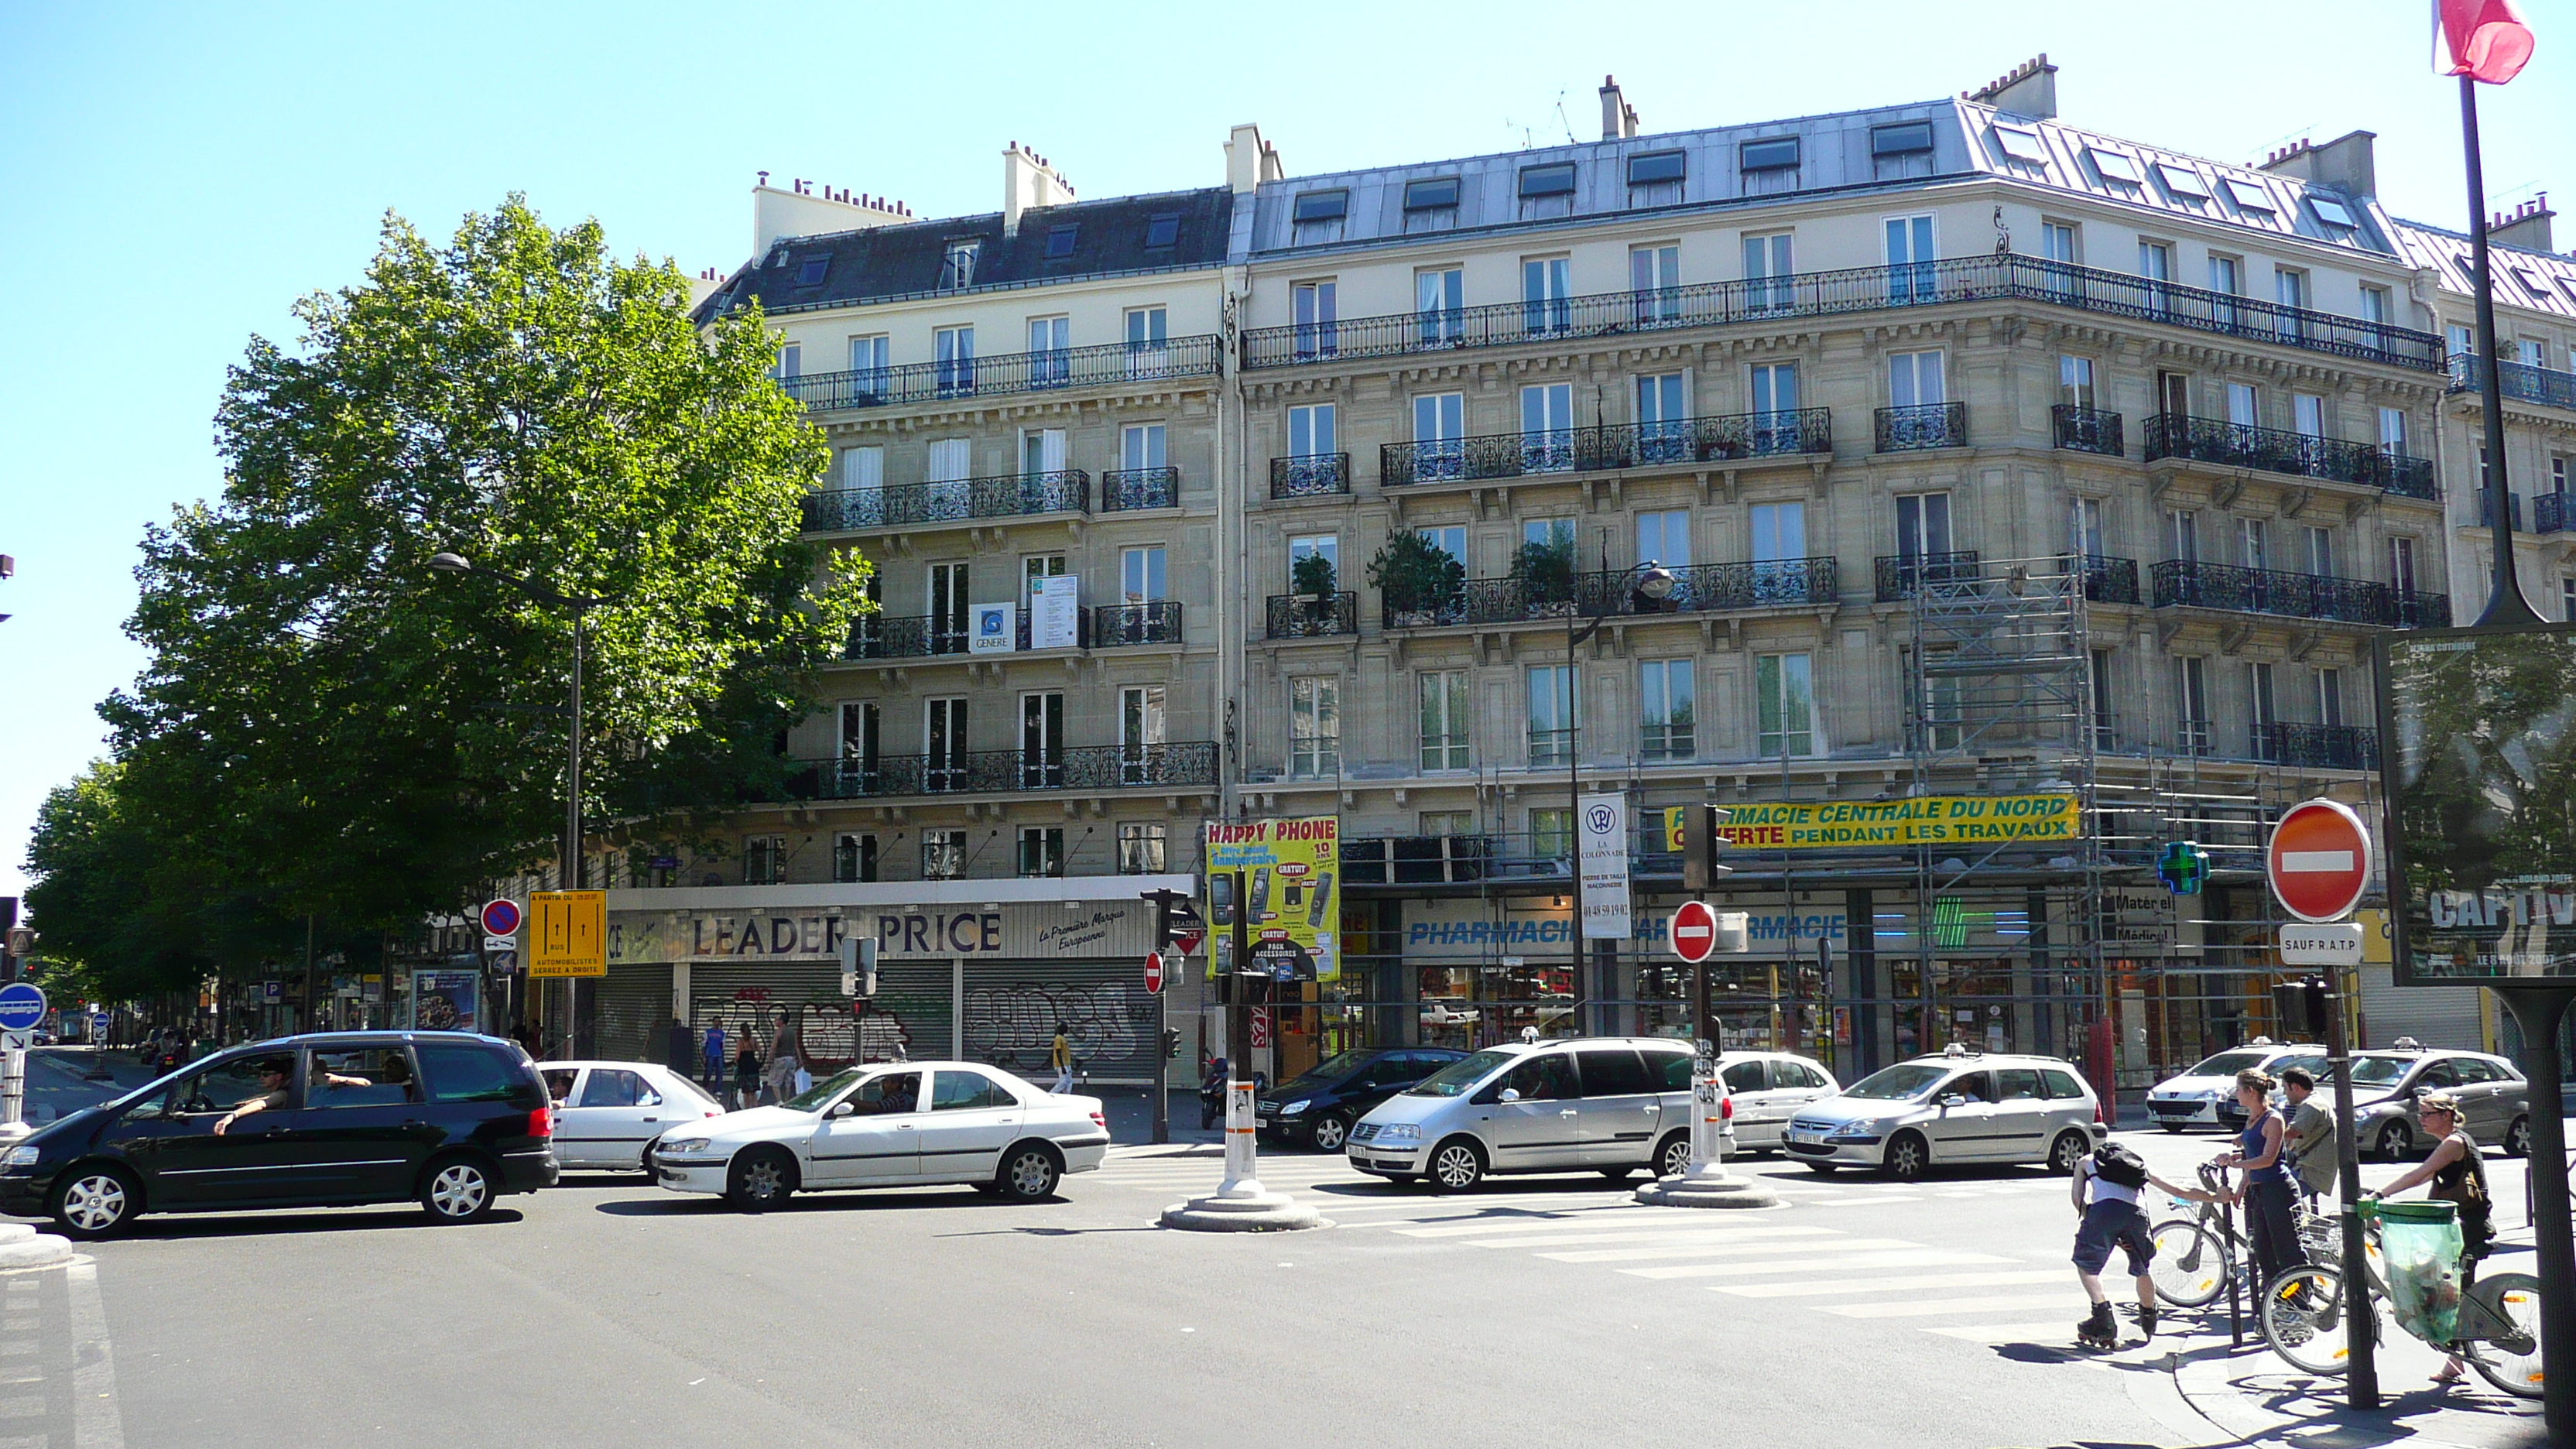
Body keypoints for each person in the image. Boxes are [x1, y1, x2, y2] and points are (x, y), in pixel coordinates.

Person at [2363, 1091, 2496, 1386]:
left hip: (2467, 1229)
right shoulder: (2451, 1143)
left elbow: (2420, 1172)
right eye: (2420, 1114)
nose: (2420, 1119)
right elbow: (2426, 1177)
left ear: (2446, 1115)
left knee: (2446, 1291)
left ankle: (2472, 1337)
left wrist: (2380, 1195)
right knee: (2451, 1291)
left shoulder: (2453, 1143)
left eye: (2426, 1114)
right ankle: (2455, 1361)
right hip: (2464, 1227)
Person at [2072, 1141, 2212, 1343]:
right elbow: (2178, 1191)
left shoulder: (2086, 1161)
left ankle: (2103, 1318)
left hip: (2102, 1212)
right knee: (2142, 1267)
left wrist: (2096, 1223)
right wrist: (2217, 1197)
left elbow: (2077, 1200)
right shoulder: (2137, 1164)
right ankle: (2149, 1316)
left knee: (2087, 1264)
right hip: (2136, 1215)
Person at [2215, 1067, 2307, 1290]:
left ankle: (2301, 1299)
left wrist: (2236, 1163)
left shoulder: (2273, 1119)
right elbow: (2252, 1154)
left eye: (2239, 1089)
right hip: (2260, 1190)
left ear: (2250, 1091)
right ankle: (2277, 1295)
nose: (2236, 1094)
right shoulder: (2252, 1119)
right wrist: (2241, 1185)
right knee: (2262, 1249)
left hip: (2278, 1189)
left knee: (2287, 1248)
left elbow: (2267, 1159)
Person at [2280, 1067, 2337, 1204]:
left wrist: (2262, 1133)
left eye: (2285, 1088)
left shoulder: (2312, 1105)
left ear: (2295, 1087)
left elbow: (2291, 1133)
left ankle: (2294, 1224)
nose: (2284, 1093)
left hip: (2310, 1173)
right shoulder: (2314, 1102)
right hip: (2305, 1167)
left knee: (2275, 1194)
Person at [765, 1018, 800, 1106]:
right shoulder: (793, 1032)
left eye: (776, 1019)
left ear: (781, 1021)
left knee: (775, 1081)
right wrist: (800, 1060)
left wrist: (768, 1061)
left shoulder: (779, 1032)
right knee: (788, 1082)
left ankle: (780, 1102)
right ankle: (787, 1101)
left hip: (781, 1059)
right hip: (792, 1059)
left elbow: (774, 1047)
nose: (774, 1021)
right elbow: (797, 1047)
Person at [732, 1040, 762, 1112]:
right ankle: (755, 1109)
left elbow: (737, 1056)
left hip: (744, 1067)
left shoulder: (741, 1042)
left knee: (746, 1091)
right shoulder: (754, 1041)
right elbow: (761, 1052)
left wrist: (735, 1062)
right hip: (753, 1066)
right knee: (753, 1091)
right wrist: (758, 1061)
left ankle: (747, 1109)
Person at [1050, 1026, 1074, 1094]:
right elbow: (1058, 1052)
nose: (1066, 1029)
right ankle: (1051, 1094)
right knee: (1063, 1082)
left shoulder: (1063, 1038)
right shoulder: (1058, 1038)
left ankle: (1067, 1097)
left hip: (1066, 1063)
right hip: (1062, 1064)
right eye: (1065, 1028)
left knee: (1069, 1082)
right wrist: (1062, 1066)